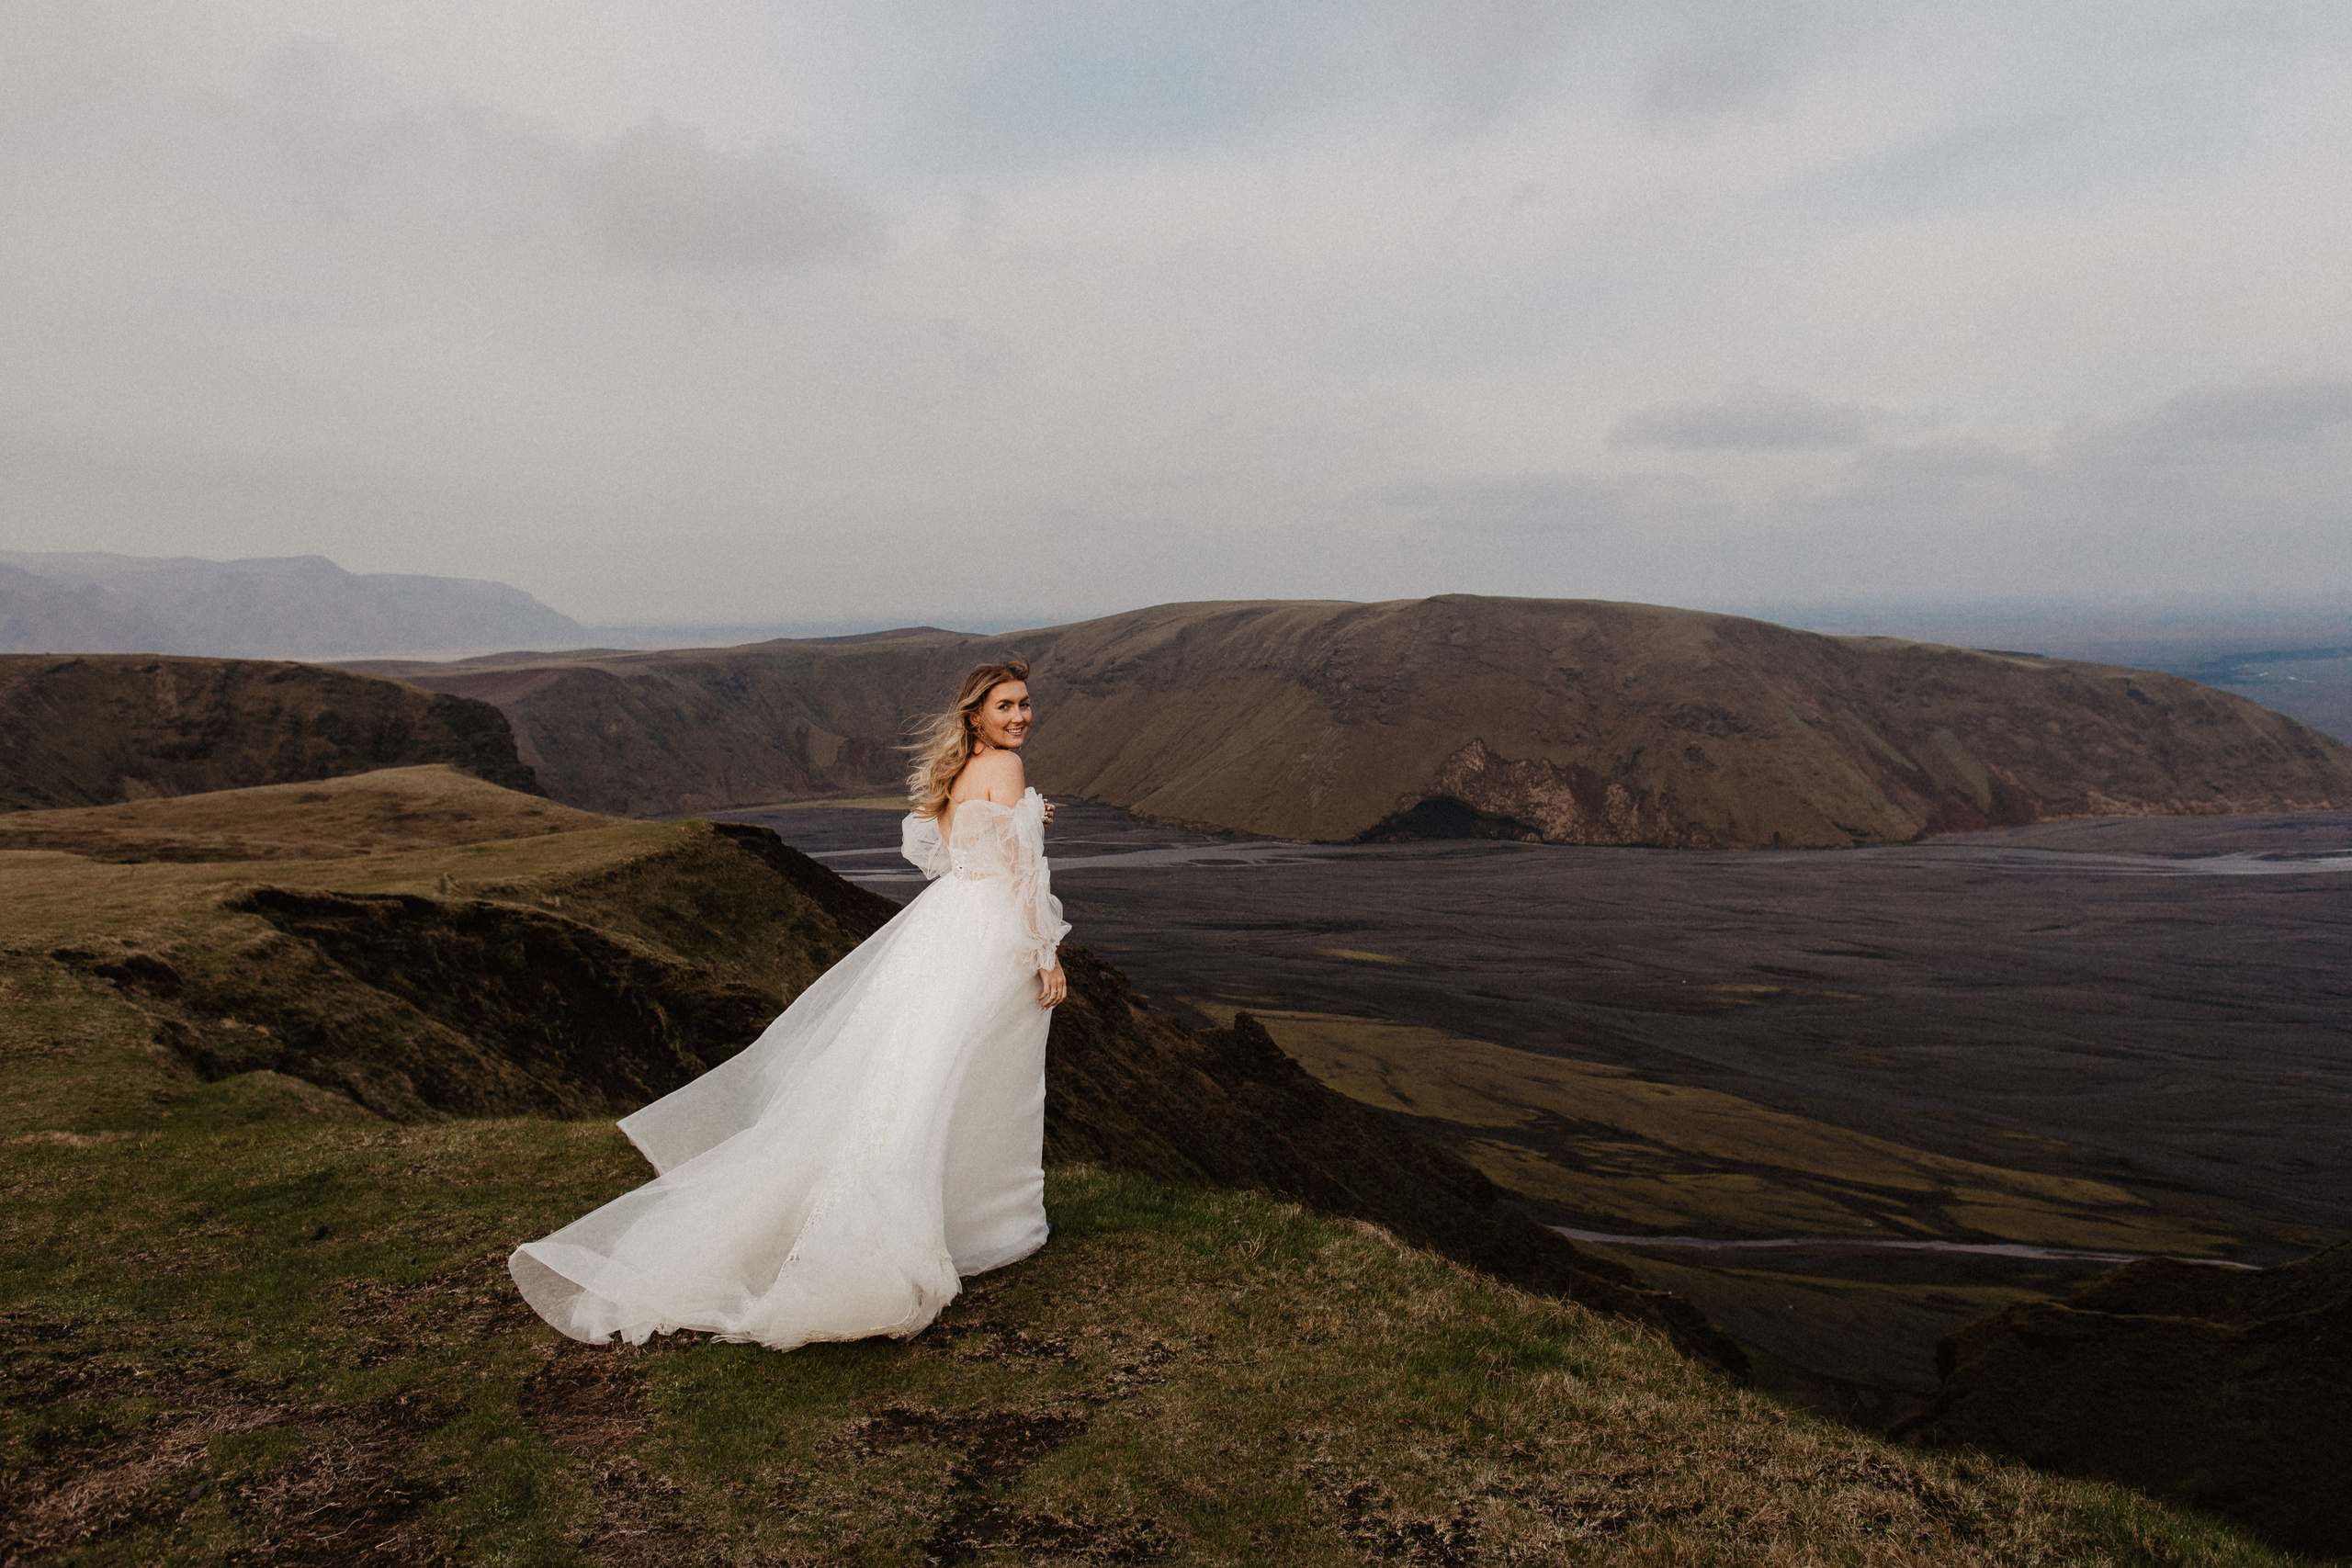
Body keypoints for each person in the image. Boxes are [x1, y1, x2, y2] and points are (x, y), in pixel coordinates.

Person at [508, 660, 1069, 1349]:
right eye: (1005, 706)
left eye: (1024, 704)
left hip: (945, 925)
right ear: (976, 714)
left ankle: (956, 1218)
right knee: (974, 1077)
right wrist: (1046, 952)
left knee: (919, 1075)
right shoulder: (1007, 769)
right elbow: (1020, 870)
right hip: (987, 936)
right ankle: (983, 1224)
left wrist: (1022, 820)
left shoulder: (963, 769)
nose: (1019, 716)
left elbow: (949, 851)